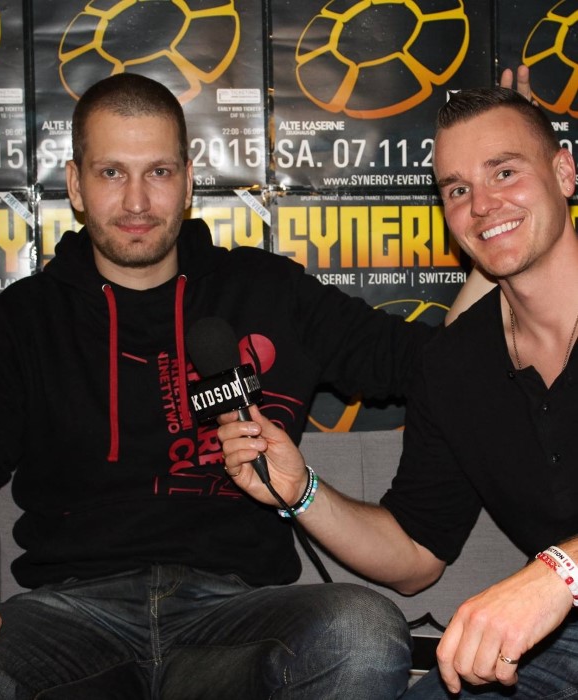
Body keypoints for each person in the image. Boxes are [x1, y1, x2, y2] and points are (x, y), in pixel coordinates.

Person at [0, 72, 427, 699]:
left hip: (236, 614)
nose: (137, 202)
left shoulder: (266, 289)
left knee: (361, 631)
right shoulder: (27, 319)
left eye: (159, 172)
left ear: (189, 181)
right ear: (76, 185)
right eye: (112, 173)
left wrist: (509, 267)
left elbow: (434, 362)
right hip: (70, 621)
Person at [218, 85, 578, 699]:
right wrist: (301, 491)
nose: (483, 205)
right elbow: (415, 554)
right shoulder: (453, 365)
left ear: (564, 172)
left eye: (505, 172)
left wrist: (558, 573)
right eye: (457, 190)